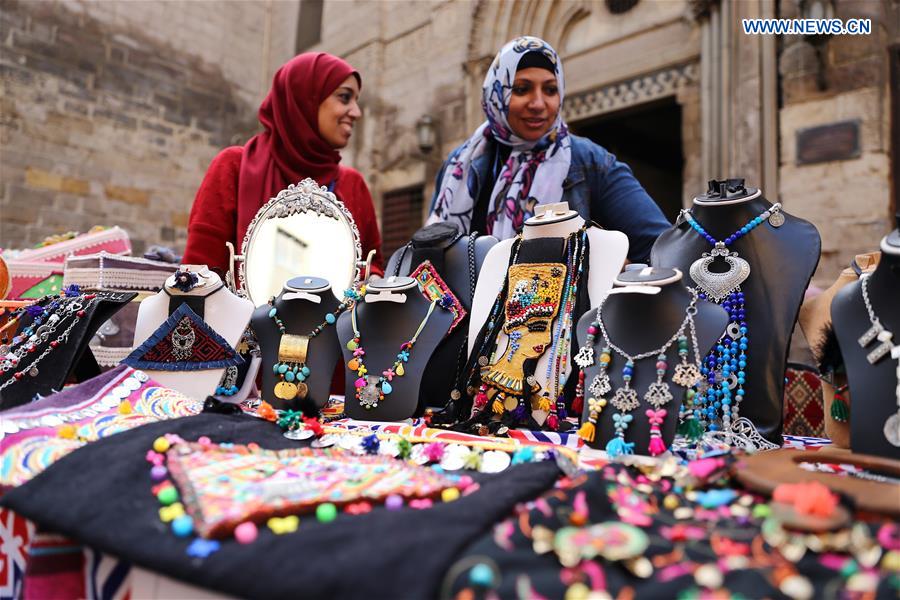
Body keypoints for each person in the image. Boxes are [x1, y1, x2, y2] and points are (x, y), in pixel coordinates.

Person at [427, 36, 668, 262]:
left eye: (550, 90)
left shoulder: (590, 161)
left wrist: (608, 266)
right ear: (496, 94)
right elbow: (432, 249)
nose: (539, 104)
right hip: (465, 307)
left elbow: (661, 249)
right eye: (521, 89)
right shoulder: (459, 165)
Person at [183, 52, 383, 276]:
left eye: (356, 100)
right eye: (345, 97)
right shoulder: (234, 168)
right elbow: (197, 276)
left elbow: (372, 264)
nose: (357, 112)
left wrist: (370, 279)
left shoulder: (353, 185)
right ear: (306, 98)